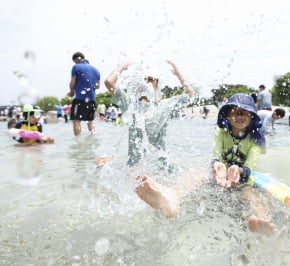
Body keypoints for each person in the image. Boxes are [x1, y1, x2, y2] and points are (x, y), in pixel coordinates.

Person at [135, 93, 277, 235]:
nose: (240, 116)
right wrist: (217, 166)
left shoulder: (255, 141)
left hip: (243, 179)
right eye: (235, 112)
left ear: (252, 116)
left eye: (245, 113)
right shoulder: (221, 132)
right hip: (220, 177)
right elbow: (216, 155)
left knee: (251, 195)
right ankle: (173, 197)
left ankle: (260, 222)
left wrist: (238, 170)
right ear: (226, 115)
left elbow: (250, 166)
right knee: (196, 174)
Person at [104, 60, 195, 166]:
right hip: (152, 167)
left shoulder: (162, 105)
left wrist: (122, 67)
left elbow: (191, 95)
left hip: (146, 168)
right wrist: (122, 67)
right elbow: (108, 82)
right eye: (144, 80)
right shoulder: (131, 103)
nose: (146, 83)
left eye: (149, 80)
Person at [68, 52, 100, 136]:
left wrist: (71, 92)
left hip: (80, 99)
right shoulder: (96, 70)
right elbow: (98, 86)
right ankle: (93, 139)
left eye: (75, 61)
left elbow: (72, 82)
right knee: (90, 122)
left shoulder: (76, 67)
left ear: (76, 59)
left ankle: (78, 144)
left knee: (76, 120)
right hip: (92, 100)